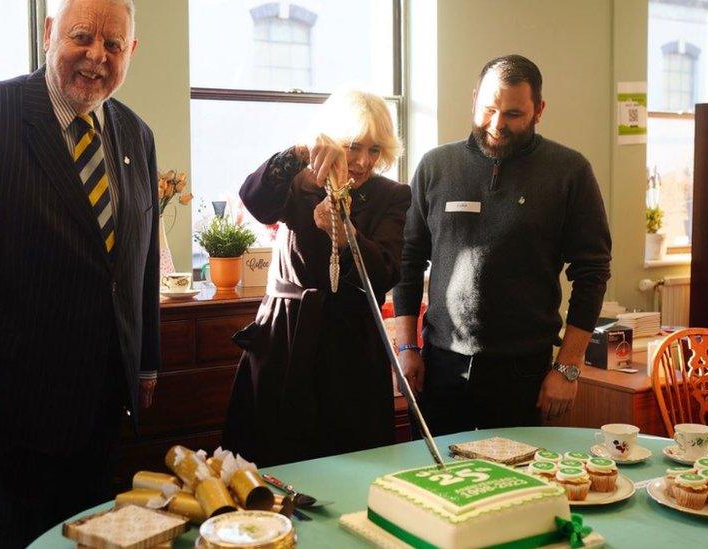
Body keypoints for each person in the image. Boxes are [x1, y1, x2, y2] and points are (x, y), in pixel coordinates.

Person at [0, 0, 159, 545]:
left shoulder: (135, 135)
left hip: (103, 400)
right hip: (17, 406)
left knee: (93, 537)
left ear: (131, 52)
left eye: (113, 45)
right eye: (82, 37)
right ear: (49, 33)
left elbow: (138, 261)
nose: (97, 56)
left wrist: (145, 365)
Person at [392, 54, 612, 436]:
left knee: (515, 489)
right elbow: (407, 262)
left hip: (523, 373)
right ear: (475, 97)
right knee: (434, 486)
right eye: (489, 109)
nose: (497, 125)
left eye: (513, 114)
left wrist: (567, 367)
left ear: (539, 110)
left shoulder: (569, 172)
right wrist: (407, 349)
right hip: (440, 366)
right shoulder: (436, 166)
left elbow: (592, 274)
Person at [222, 90, 410, 466]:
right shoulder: (300, 182)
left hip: (351, 349)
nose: (361, 161)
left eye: (374, 151)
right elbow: (254, 199)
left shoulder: (392, 195)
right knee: (275, 462)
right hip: (287, 341)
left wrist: (347, 232)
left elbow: (386, 272)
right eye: (354, 146)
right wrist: (299, 154)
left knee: (354, 463)